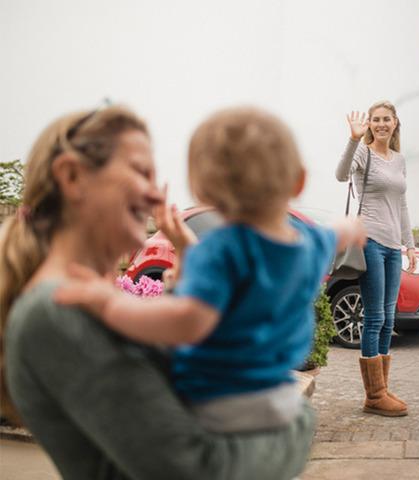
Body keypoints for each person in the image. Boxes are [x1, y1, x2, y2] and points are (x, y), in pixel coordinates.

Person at [0, 106, 315, 479]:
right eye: (141, 172)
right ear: (72, 176)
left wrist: (189, 288)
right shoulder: (55, 311)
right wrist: (300, 424)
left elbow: (165, 383)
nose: (155, 195)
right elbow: (197, 470)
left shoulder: (76, 303)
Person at [53, 106, 365, 433]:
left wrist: (108, 304)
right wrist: (350, 227)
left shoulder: (219, 251)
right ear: (299, 182)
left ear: (200, 190)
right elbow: (337, 234)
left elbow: (186, 321)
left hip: (218, 402)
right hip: (278, 399)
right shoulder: (311, 242)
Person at [336, 100, 415, 417]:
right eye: (375, 119)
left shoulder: (399, 159)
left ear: (395, 123)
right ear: (369, 124)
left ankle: (381, 387)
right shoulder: (363, 152)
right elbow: (341, 175)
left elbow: (403, 205)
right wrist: (354, 138)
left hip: (394, 246)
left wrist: (409, 244)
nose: (381, 124)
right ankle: (374, 395)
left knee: (389, 320)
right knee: (375, 318)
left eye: (387, 119)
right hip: (369, 241)